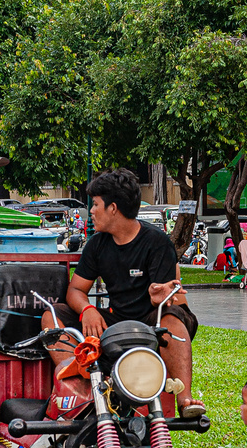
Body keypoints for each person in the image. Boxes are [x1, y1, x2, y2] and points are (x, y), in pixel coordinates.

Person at [41, 168, 204, 417]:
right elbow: (75, 289)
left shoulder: (157, 242)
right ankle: (87, 390)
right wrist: (88, 310)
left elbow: (170, 296)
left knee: (172, 316)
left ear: (113, 208)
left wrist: (162, 294)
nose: (92, 211)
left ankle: (186, 399)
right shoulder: (97, 244)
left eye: (95, 205)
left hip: (152, 320)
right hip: (116, 323)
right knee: (51, 318)